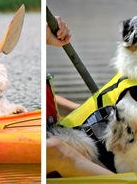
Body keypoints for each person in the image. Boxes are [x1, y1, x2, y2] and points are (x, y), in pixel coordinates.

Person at [46, 16, 114, 177]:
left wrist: (89, 111)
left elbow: (50, 98)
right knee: (54, 148)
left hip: (53, 130)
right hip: (51, 144)